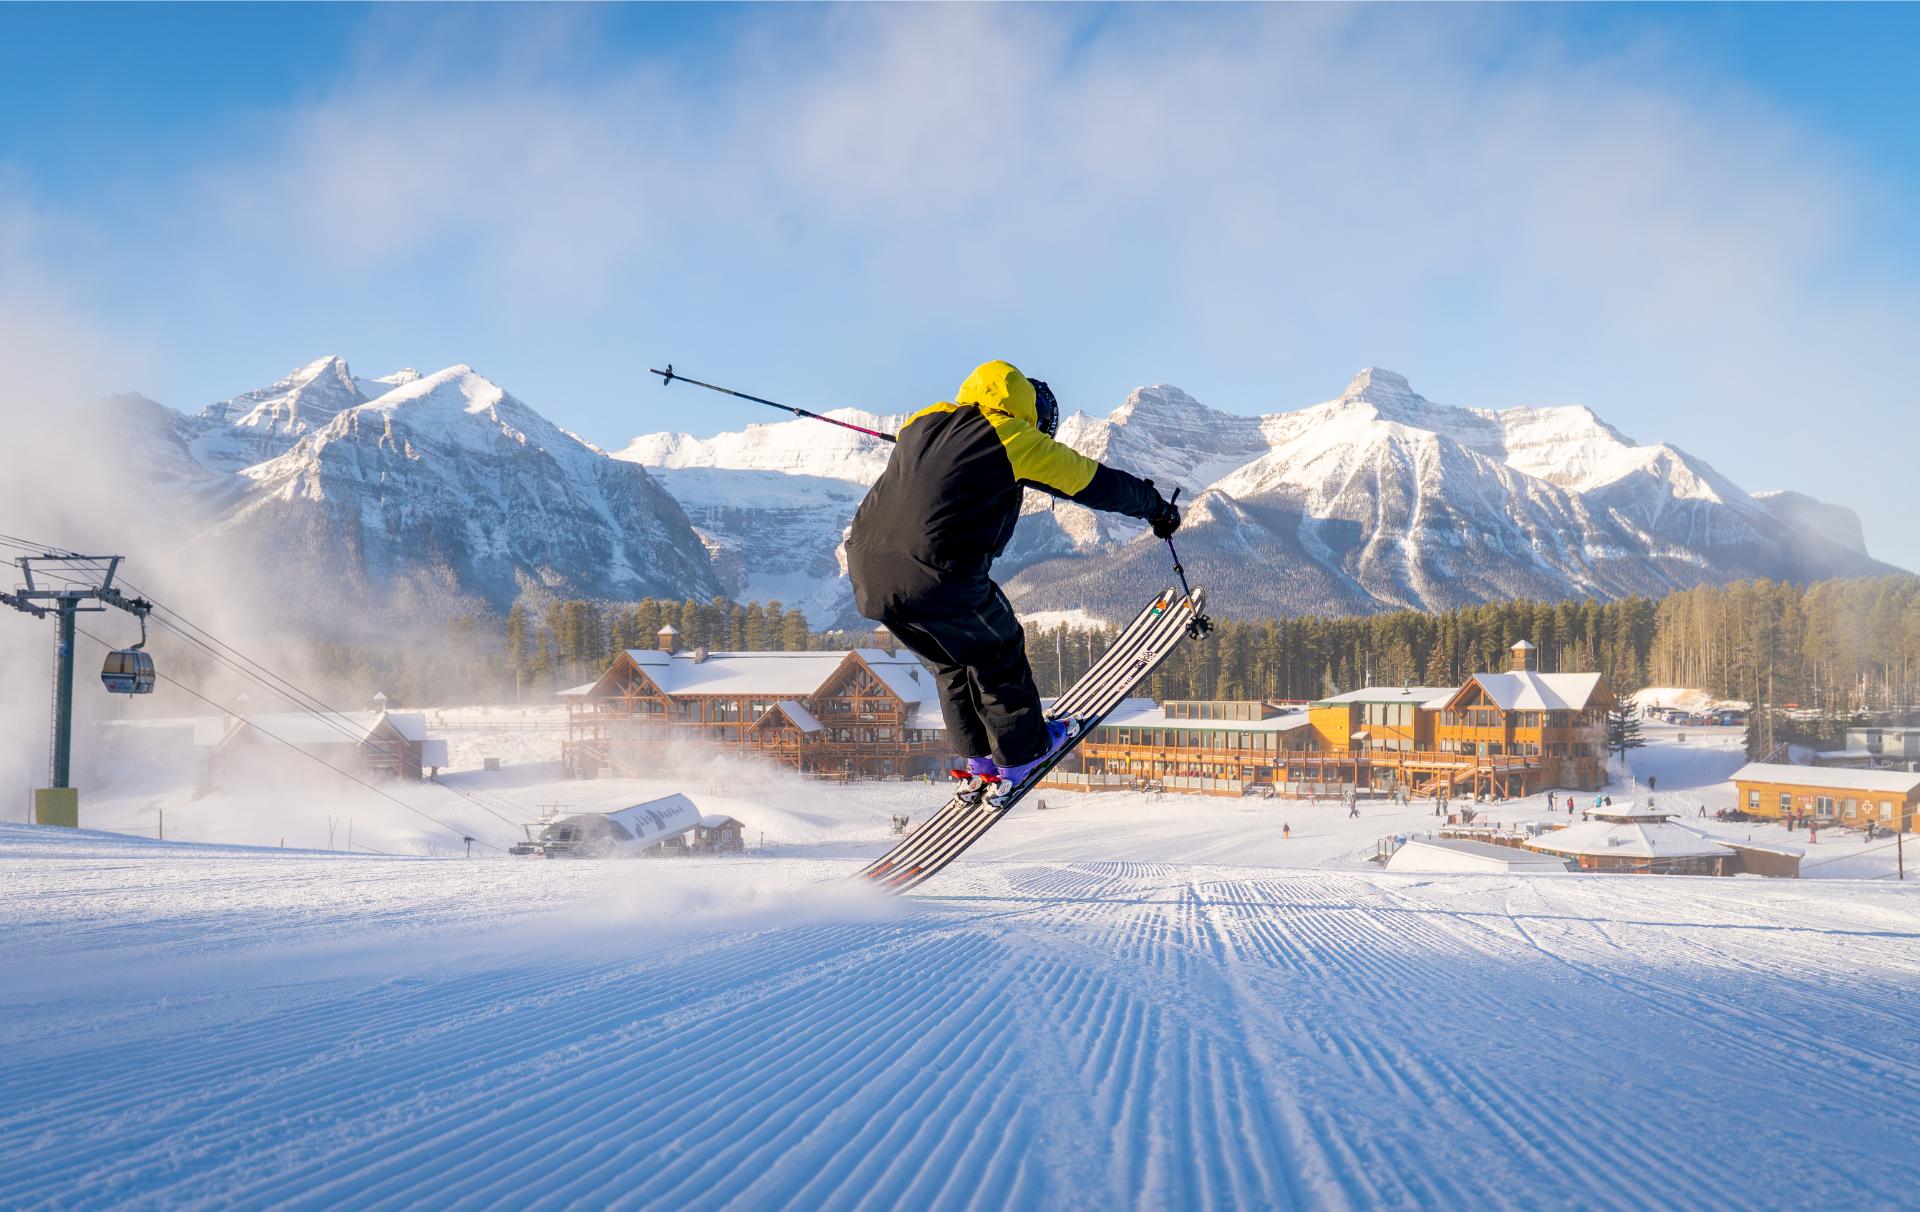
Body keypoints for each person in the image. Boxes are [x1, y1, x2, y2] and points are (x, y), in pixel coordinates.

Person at [847, 360, 1178, 795]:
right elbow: (1092, 482)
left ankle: (979, 758)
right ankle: (1024, 753)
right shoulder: (1011, 437)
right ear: (1030, 414)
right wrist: (1155, 507)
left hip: (869, 576)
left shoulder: (924, 421)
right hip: (937, 575)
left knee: (952, 662)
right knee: (998, 649)